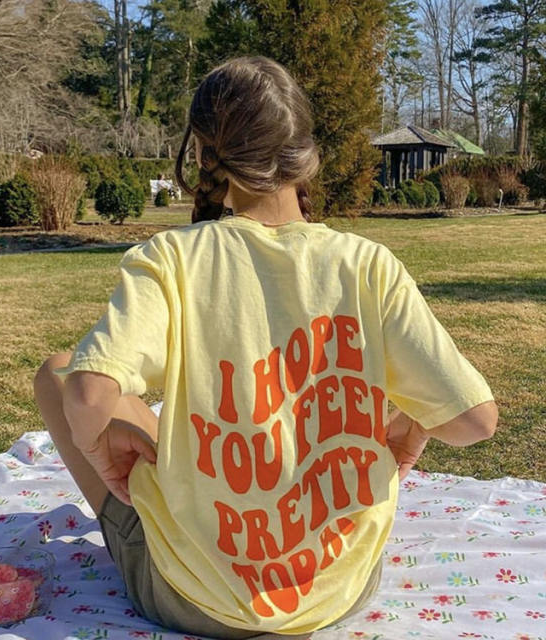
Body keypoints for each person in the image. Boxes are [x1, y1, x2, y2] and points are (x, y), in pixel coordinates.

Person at [33, 56, 498, 638]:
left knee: (57, 370)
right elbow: (475, 420)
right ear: (307, 152)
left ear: (206, 155)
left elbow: (87, 392)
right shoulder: (366, 266)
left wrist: (98, 444)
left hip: (195, 599)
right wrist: (416, 419)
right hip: (339, 591)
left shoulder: (171, 260)